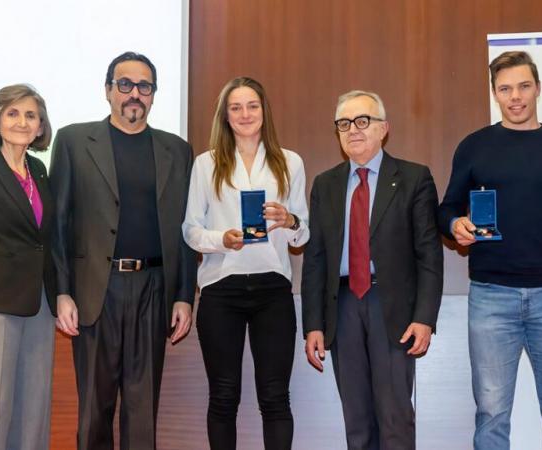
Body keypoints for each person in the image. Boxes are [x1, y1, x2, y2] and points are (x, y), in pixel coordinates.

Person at [438, 51, 542, 450]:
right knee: (491, 413)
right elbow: (447, 208)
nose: (515, 96)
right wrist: (455, 226)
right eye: (505, 89)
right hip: (490, 296)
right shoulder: (474, 147)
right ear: (495, 93)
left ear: (538, 88)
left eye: (523, 86)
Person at [49, 52, 197, 450]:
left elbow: (185, 229)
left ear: (153, 95)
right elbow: (58, 224)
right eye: (125, 84)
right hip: (97, 289)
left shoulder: (178, 151)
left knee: (142, 406)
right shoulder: (74, 141)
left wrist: (184, 295)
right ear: (108, 90)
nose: (135, 94)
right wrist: (62, 291)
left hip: (154, 289)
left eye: (144, 86)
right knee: (94, 409)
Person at [302, 90, 443, 450]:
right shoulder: (326, 184)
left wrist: (425, 317)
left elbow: (429, 254)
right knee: (357, 419)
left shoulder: (413, 178)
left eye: (362, 121)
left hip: (392, 308)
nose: (353, 130)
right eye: (344, 123)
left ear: (384, 129)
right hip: (343, 306)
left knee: (395, 416)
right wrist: (314, 324)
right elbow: (315, 258)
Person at [182, 76, 308, 450]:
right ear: (225, 116)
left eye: (252, 105)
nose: (245, 114)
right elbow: (190, 230)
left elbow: (304, 234)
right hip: (222, 289)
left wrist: (290, 221)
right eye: (235, 107)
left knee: (275, 398)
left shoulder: (290, 162)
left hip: (273, 290)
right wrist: (220, 240)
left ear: (264, 111)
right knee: (223, 397)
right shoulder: (206, 165)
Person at [0, 84, 56, 450]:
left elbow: (45, 238)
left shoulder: (39, 170)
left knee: (33, 412)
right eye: (12, 113)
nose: (22, 122)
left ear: (41, 127)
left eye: (30, 115)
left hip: (39, 304)